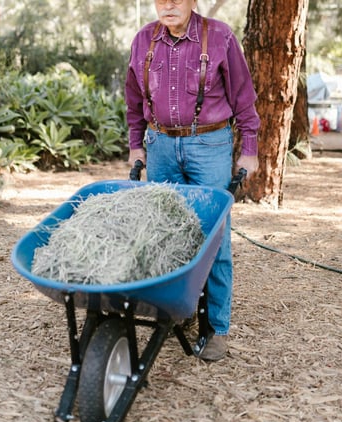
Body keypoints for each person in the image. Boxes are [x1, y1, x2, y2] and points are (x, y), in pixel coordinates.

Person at [125, 0, 260, 360]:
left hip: (210, 144)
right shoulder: (143, 40)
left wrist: (249, 150)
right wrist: (136, 147)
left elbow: (244, 99)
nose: (168, 5)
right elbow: (134, 102)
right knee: (166, 232)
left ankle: (216, 328)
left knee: (214, 236)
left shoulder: (220, 37)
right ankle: (175, 313)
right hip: (161, 146)